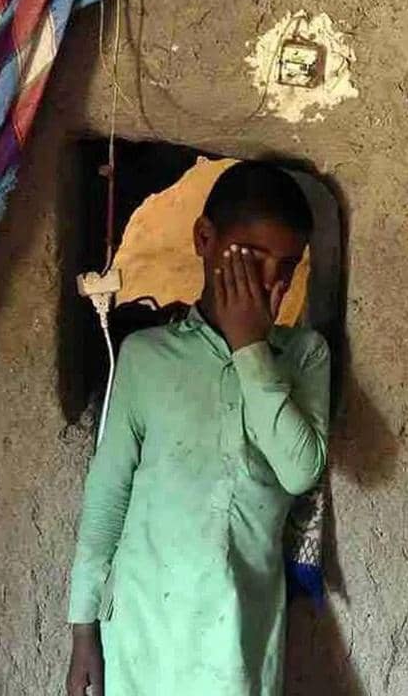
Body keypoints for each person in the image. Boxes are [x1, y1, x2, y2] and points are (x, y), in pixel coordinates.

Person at [65, 161, 331, 696]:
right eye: (253, 260)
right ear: (205, 239)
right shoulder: (146, 359)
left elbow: (301, 470)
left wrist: (251, 348)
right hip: (143, 627)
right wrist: (82, 632)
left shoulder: (303, 356)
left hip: (238, 633)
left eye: (288, 267)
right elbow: (107, 499)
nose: (270, 282)